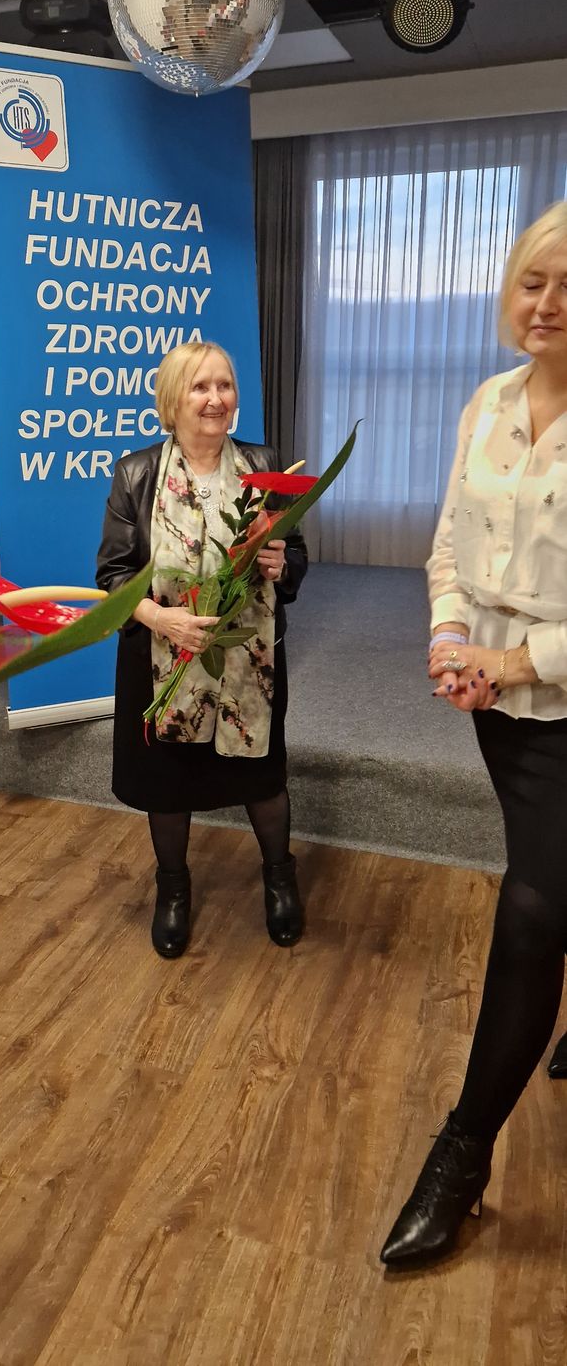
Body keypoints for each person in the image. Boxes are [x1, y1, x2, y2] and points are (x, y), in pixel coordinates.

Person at [381, 199, 567, 1268]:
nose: (548, 304)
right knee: (556, 875)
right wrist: (451, 634)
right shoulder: (488, 400)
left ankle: (460, 1154)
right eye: (533, 282)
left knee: (532, 913)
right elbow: (450, 539)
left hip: (555, 694)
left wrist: (512, 662)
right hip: (500, 711)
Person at [95, 340, 308, 959]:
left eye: (225, 385)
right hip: (166, 661)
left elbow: (295, 558)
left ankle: (279, 877)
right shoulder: (136, 475)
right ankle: (173, 889)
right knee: (169, 782)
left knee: (262, 777)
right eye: (200, 387)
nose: (216, 399)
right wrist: (160, 618)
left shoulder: (264, 466)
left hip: (248, 665)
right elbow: (112, 577)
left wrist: (279, 565)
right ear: (172, 399)